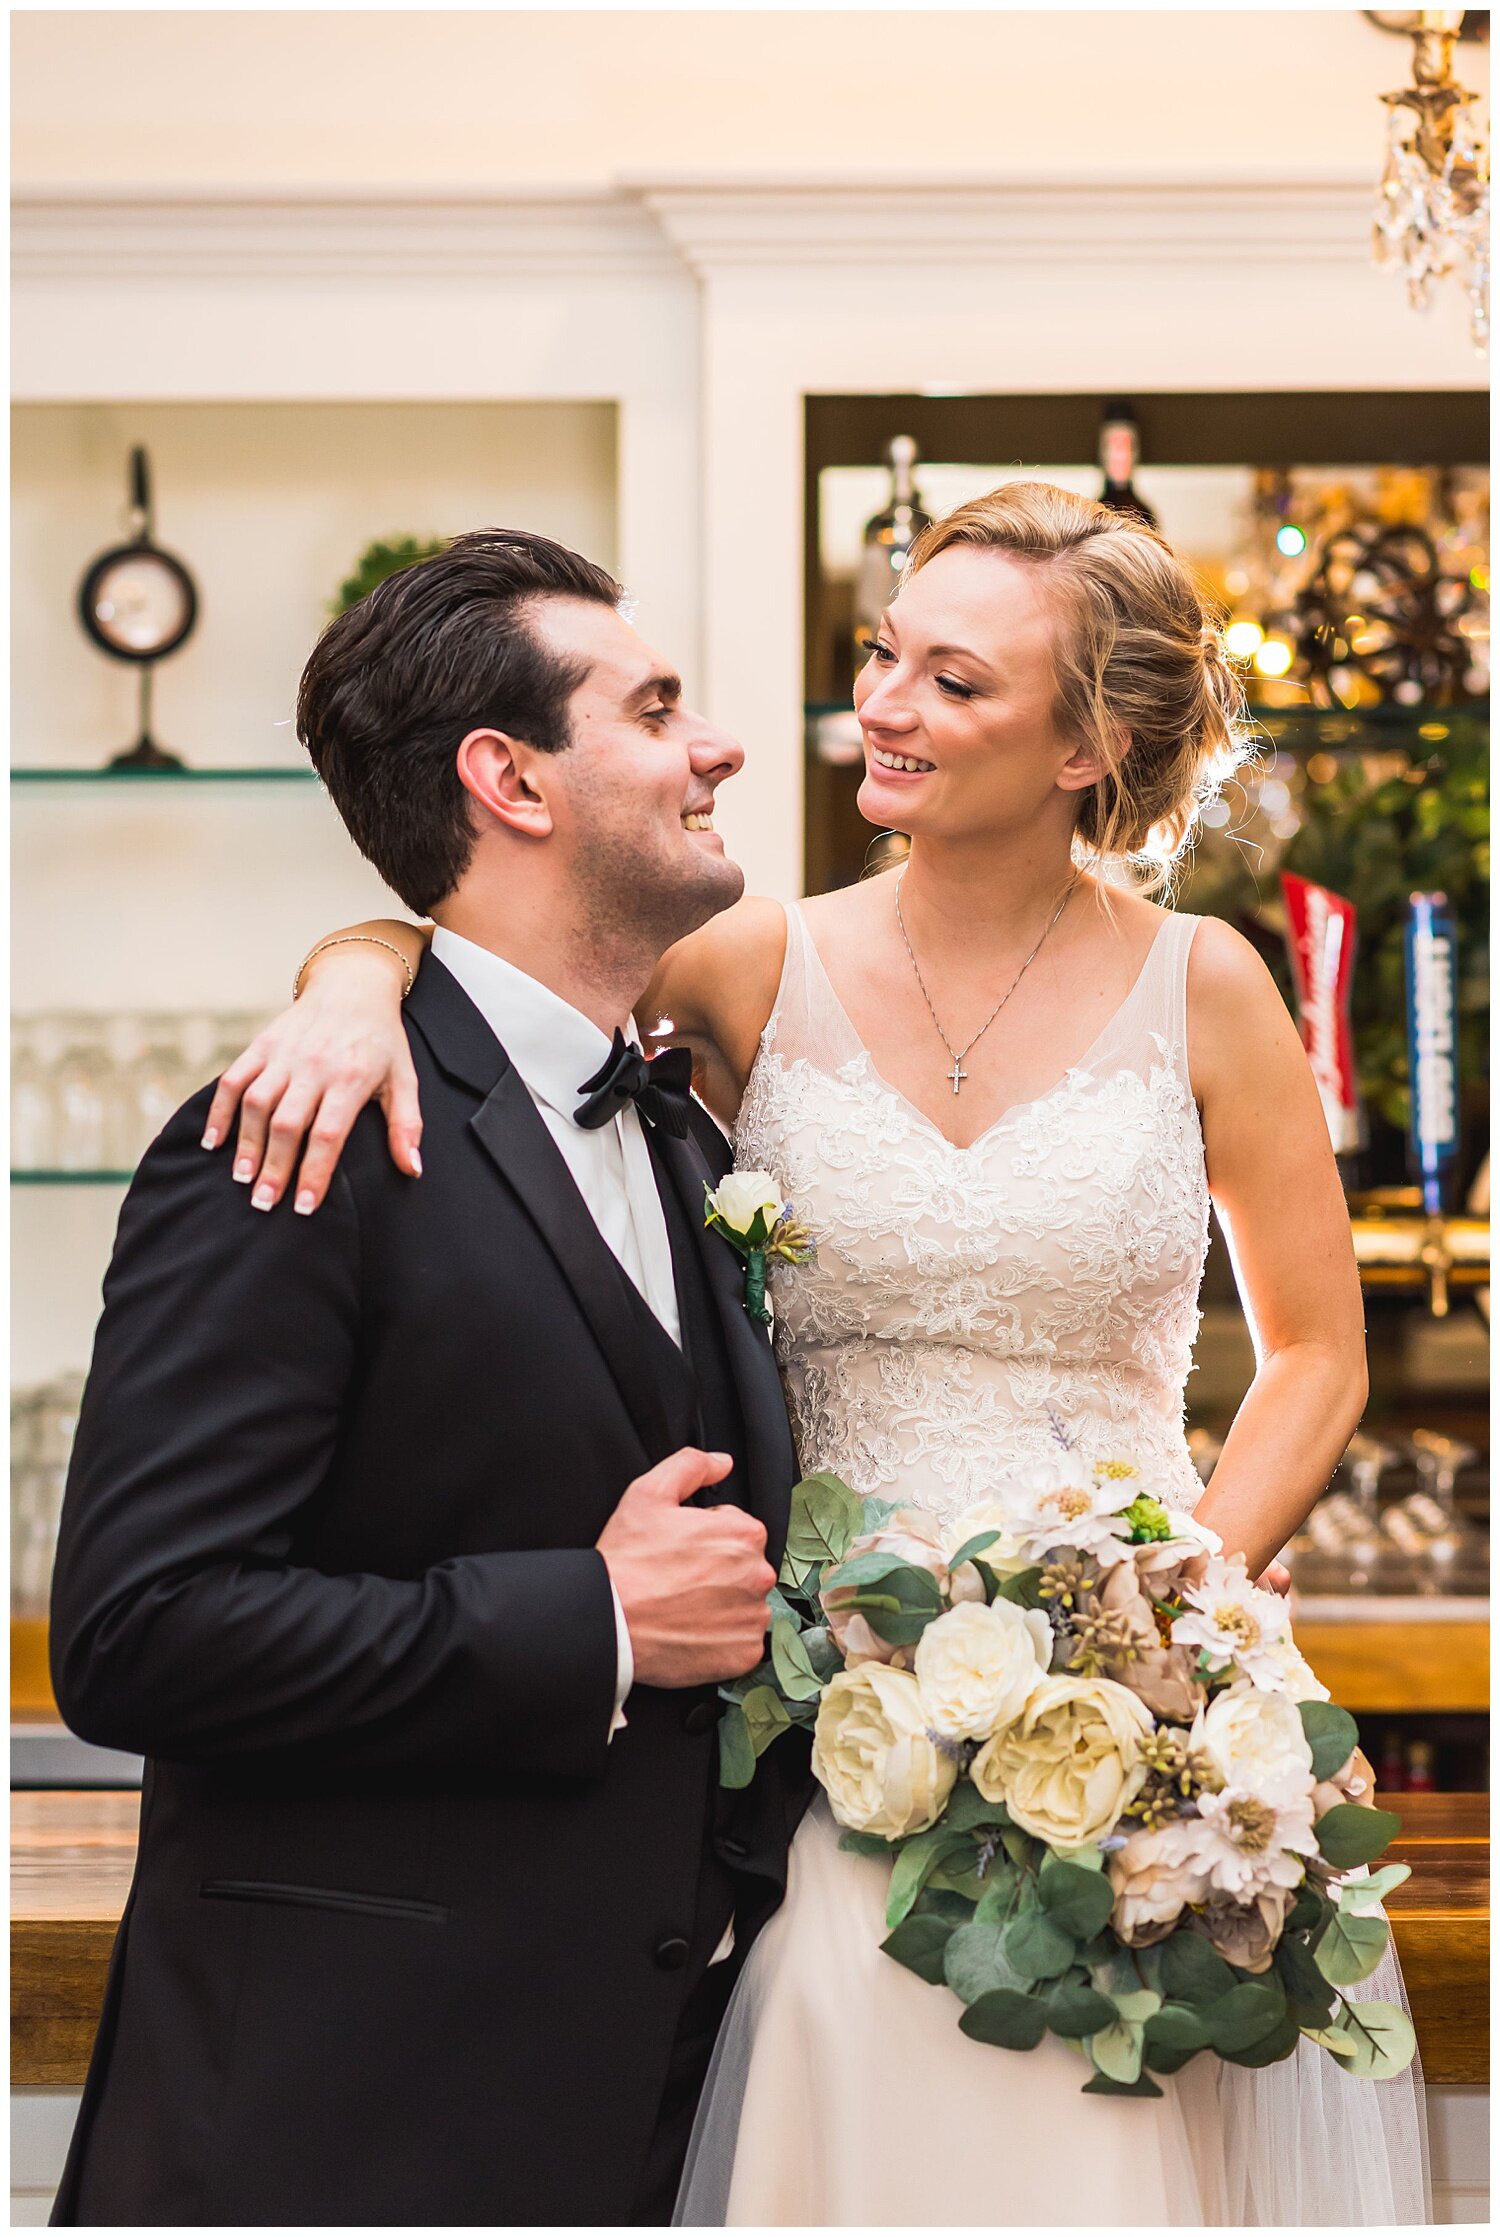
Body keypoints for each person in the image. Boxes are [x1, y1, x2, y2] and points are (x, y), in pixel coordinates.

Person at [201, 485, 1428, 2225]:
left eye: (955, 681)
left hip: (1162, 1708)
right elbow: (492, 946)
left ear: (1091, 745)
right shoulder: (752, 960)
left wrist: (1179, 1618)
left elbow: (1315, 1352)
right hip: (844, 1711)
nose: (886, 709)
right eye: (881, 657)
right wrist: (345, 980)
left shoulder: (1210, 981)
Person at [47, 530, 813, 2227]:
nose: (721, 748)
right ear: (509, 779)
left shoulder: (686, 1129)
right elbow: (135, 1629)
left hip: (643, 2121)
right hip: (336, 2130)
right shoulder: (298, 1133)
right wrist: (592, 1620)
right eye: (658, 707)